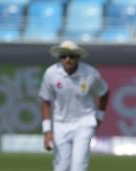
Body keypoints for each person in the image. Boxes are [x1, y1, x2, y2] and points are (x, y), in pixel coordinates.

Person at [38, 40, 109, 171]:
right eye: (63, 56)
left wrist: (99, 116)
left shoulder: (90, 73)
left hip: (84, 122)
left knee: (79, 166)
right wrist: (47, 131)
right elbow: (46, 100)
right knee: (61, 167)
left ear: (78, 57)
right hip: (60, 123)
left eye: (71, 56)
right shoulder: (51, 73)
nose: (67, 59)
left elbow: (104, 92)